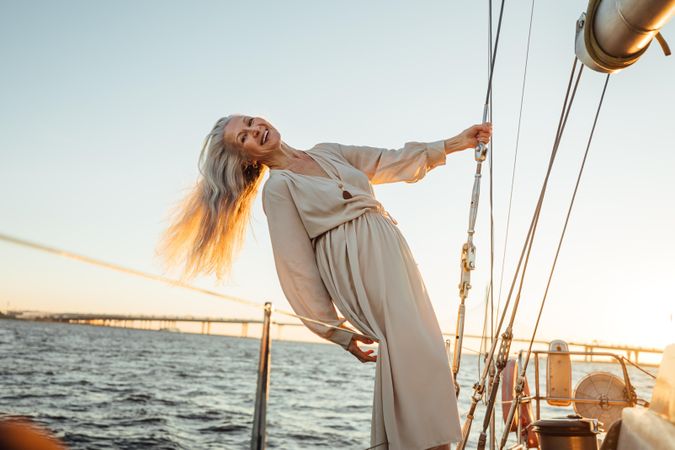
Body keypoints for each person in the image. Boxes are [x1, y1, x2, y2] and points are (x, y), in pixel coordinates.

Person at [160, 115, 492, 450]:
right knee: (412, 357)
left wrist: (456, 143)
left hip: (394, 255)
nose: (255, 130)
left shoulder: (327, 151)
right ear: (246, 157)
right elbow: (296, 267)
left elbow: (386, 160)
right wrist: (336, 331)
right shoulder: (278, 189)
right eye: (243, 137)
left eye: (250, 122)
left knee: (428, 352)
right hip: (359, 268)